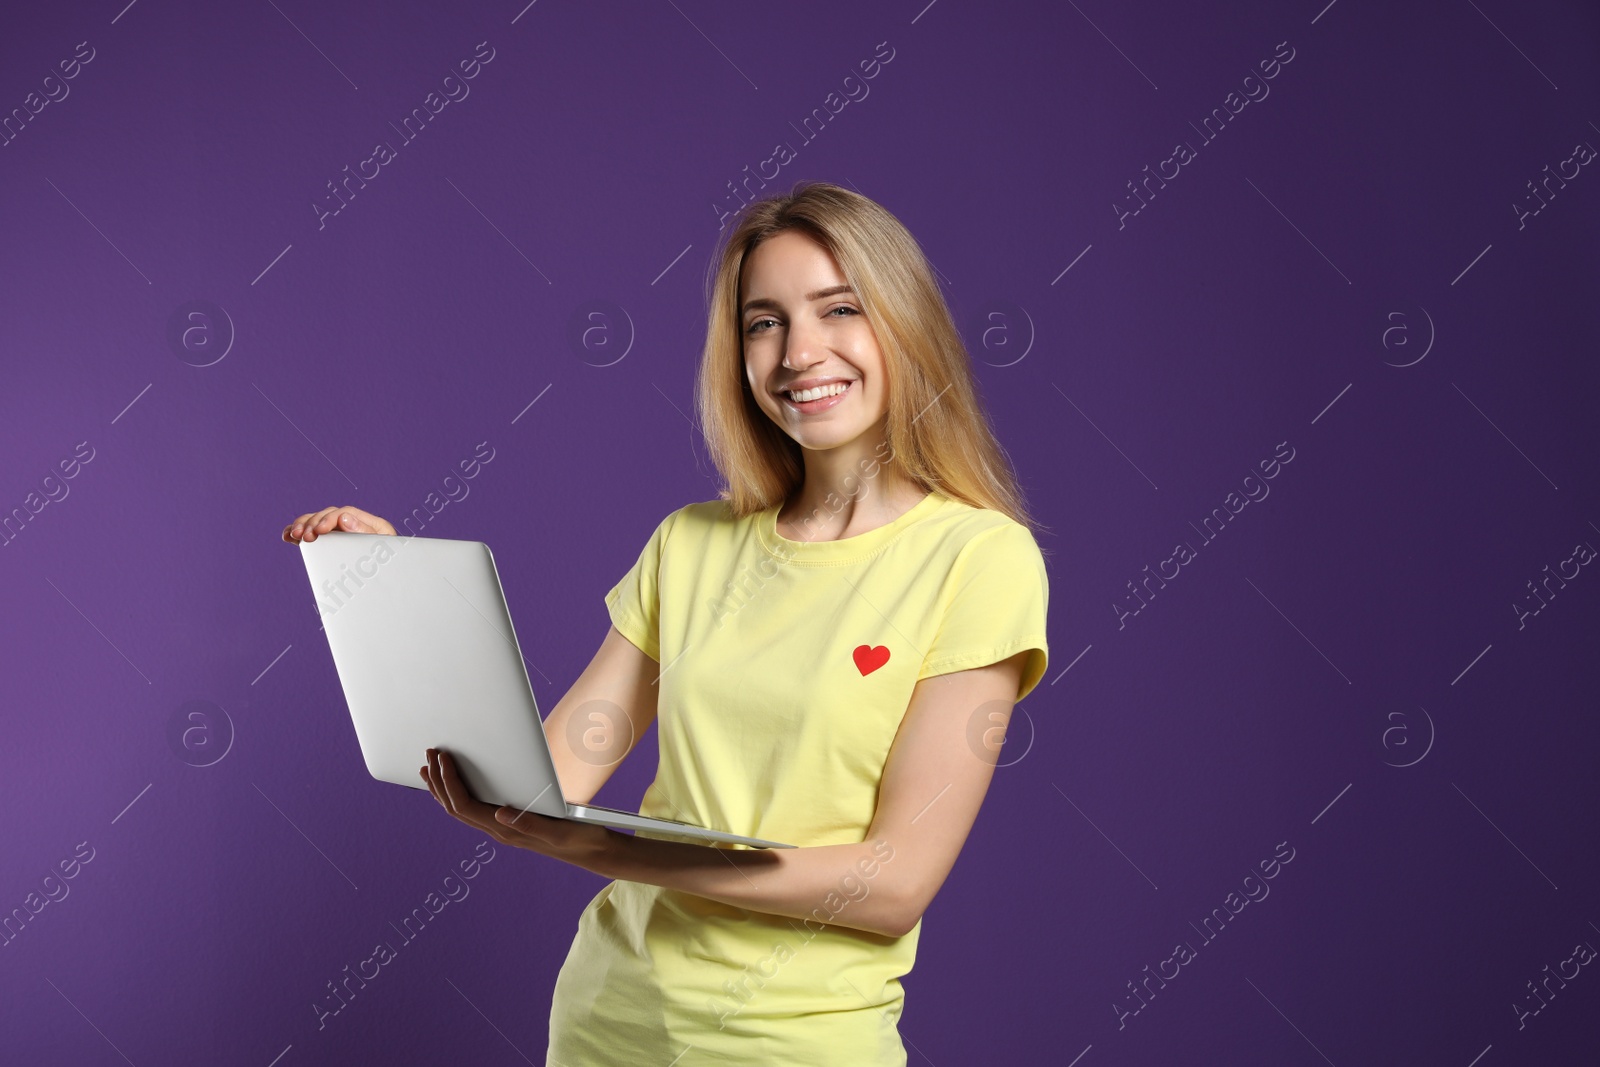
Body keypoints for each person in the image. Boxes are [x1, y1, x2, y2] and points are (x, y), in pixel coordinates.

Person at [281, 180, 1050, 1065]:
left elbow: (894, 884)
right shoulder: (692, 543)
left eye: (840, 309)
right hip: (610, 1023)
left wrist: (609, 848)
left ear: (905, 323)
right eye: (764, 322)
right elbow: (545, 775)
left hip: (793, 1045)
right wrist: (399, 592)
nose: (800, 351)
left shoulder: (979, 558)